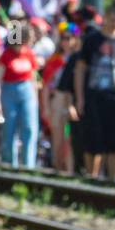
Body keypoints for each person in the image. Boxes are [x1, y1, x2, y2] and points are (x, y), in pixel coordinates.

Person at [74, 0, 115, 182]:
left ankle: (114, 178)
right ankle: (91, 177)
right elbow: (80, 68)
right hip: (93, 96)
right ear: (106, 17)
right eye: (113, 17)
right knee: (93, 140)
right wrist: (79, 98)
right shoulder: (91, 39)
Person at [0, 23, 40, 169]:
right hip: (9, 91)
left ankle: (28, 165)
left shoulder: (29, 54)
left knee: (29, 128)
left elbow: (33, 79)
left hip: (27, 92)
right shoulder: (6, 55)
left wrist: (36, 100)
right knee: (9, 129)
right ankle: (9, 164)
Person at [40, 26, 78, 174]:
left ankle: (70, 170)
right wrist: (45, 109)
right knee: (58, 138)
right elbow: (45, 86)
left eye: (69, 38)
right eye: (63, 38)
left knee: (70, 140)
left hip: (72, 101)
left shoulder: (78, 59)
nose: (66, 42)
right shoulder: (53, 61)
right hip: (57, 100)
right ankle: (57, 169)